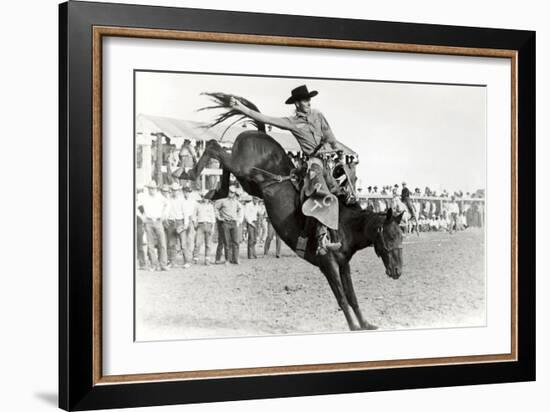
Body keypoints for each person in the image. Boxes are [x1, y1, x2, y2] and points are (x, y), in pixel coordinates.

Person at [230, 84, 351, 255]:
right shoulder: (291, 122)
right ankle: (322, 237)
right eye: (304, 100)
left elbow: (330, 137)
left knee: (344, 193)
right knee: (322, 194)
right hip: (313, 164)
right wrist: (241, 108)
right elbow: (265, 118)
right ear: (297, 104)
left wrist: (336, 148)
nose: (308, 102)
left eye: (309, 99)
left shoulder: (318, 115)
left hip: (327, 162)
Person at [137, 181, 169, 271]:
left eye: (153, 188)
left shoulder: (160, 197)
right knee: (150, 244)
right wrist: (142, 216)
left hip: (158, 221)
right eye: (150, 188)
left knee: (162, 243)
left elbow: (167, 204)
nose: (152, 190)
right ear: (148, 189)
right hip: (149, 221)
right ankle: (154, 265)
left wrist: (164, 214)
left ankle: (163, 264)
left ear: (156, 189)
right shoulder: (144, 198)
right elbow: (136, 206)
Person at [215, 185, 243, 264]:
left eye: (233, 193)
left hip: (233, 222)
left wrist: (238, 218)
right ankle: (227, 259)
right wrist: (219, 217)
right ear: (228, 192)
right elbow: (216, 208)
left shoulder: (236, 202)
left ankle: (236, 259)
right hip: (225, 223)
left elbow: (240, 209)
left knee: (236, 242)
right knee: (227, 242)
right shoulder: (223, 201)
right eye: (231, 192)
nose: (232, 194)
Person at [192, 193, 216, 265]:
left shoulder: (211, 206)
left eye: (207, 197)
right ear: (202, 197)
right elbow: (194, 216)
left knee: (208, 244)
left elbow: (213, 218)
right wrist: (194, 224)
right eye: (204, 197)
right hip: (200, 225)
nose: (205, 199)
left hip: (208, 225)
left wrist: (213, 228)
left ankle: (207, 259)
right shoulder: (198, 206)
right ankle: (195, 258)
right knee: (197, 243)